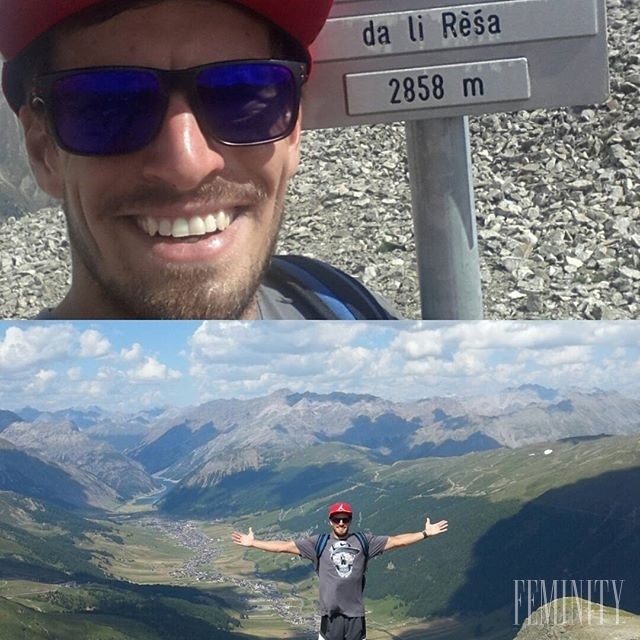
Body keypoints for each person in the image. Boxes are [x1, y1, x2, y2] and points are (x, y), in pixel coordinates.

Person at [0, 0, 398, 320]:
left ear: (293, 131)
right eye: (112, 105)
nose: (186, 165)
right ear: (42, 150)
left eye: (241, 97)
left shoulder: (342, 306)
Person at [232, 501, 449, 640]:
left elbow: (396, 541)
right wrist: (254, 543)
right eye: (337, 519)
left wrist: (424, 534)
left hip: (355, 616)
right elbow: (284, 547)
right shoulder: (317, 543)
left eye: (345, 519)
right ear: (330, 521)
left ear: (351, 521)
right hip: (331, 616)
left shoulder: (365, 541)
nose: (341, 522)